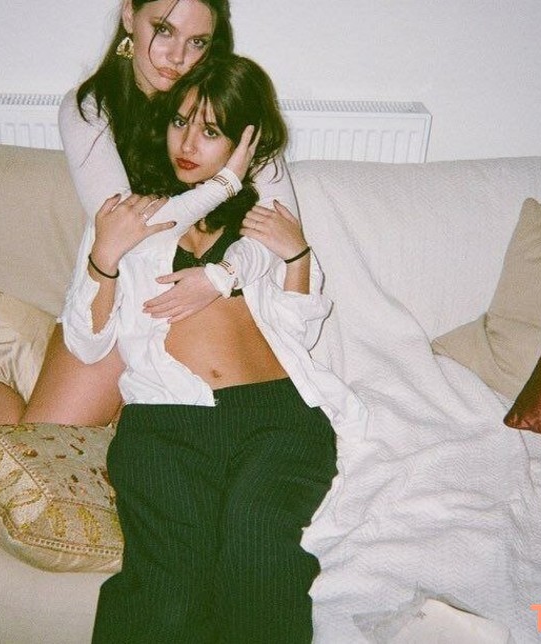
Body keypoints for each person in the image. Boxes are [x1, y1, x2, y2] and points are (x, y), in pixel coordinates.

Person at [0, 0, 299, 428]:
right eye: (164, 30)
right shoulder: (90, 109)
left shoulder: (230, 103)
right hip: (121, 302)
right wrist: (225, 184)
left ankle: (18, 339)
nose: (178, 57)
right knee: (33, 448)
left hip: (201, 312)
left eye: (197, 42)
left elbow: (283, 227)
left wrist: (222, 276)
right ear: (129, 15)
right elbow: (128, 231)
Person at [63, 54, 366, 643]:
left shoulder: (259, 220)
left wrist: (298, 256)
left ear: (242, 142)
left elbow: (298, 332)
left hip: (277, 420)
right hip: (166, 423)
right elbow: (87, 341)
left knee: (257, 551)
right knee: (170, 586)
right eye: (180, 122)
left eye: (210, 131)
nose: (187, 143)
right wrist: (104, 256)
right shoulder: (132, 216)